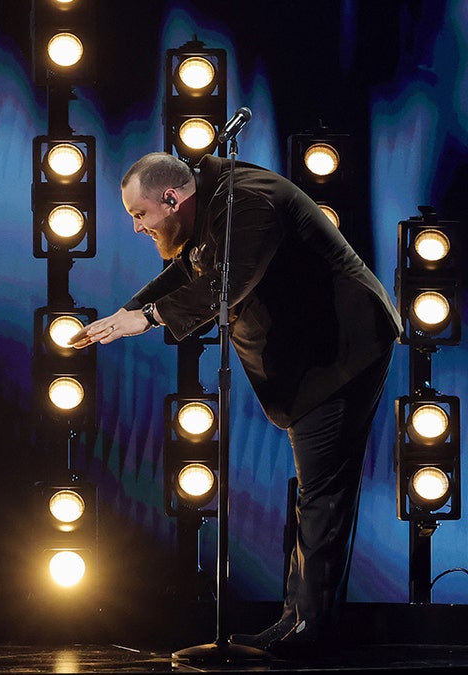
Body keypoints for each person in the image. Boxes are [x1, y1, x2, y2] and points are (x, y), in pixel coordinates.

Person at [74, 151, 400, 656]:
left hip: (343, 349)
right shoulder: (214, 205)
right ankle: (296, 621)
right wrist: (129, 310)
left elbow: (227, 283)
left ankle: (312, 631)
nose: (138, 228)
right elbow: (190, 269)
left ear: (172, 197)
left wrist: (151, 317)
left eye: (140, 215)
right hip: (314, 355)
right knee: (314, 488)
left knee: (323, 490)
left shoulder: (248, 201)